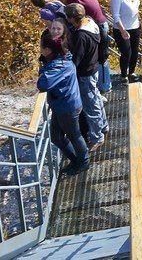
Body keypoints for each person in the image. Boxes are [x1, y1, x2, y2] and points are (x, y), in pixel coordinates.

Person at [37, 31, 89, 176]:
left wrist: (42, 70)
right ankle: (75, 160)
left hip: (68, 107)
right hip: (62, 105)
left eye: (42, 46)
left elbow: (43, 83)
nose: (40, 48)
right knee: (56, 137)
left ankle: (83, 163)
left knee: (75, 136)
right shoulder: (61, 59)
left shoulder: (59, 65)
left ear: (48, 50)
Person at [51, 0, 112, 93]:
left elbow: (75, 15)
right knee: (100, 56)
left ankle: (103, 87)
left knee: (99, 58)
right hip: (99, 23)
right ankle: (103, 86)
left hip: (96, 26)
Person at [65, 3, 108, 150]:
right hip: (94, 67)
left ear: (72, 18)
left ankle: (97, 137)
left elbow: (77, 58)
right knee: (96, 98)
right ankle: (103, 126)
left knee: (90, 106)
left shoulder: (81, 35)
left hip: (85, 73)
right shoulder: (91, 22)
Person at [110, 0, 142, 82]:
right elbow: (115, 15)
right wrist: (122, 30)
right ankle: (124, 75)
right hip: (122, 29)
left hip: (135, 27)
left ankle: (131, 72)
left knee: (134, 52)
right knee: (126, 52)